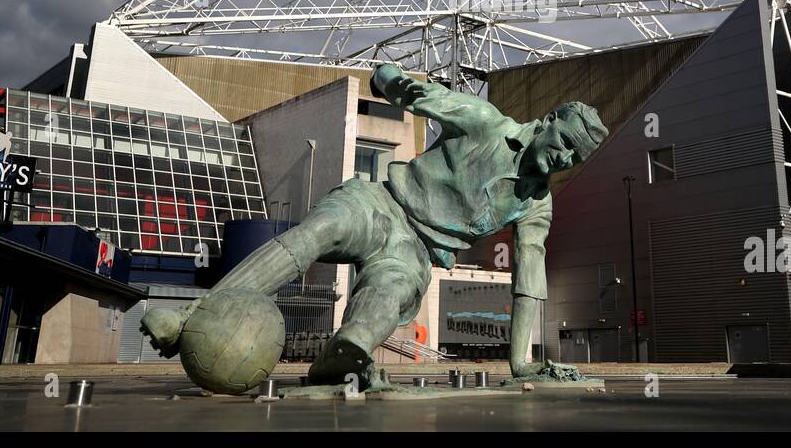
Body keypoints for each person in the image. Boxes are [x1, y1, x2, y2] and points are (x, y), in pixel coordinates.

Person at [141, 63, 608, 388]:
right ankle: (185, 318)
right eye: (565, 143)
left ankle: (340, 360)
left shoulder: (535, 206)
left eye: (575, 158)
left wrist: (521, 364)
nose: (564, 159)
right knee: (316, 232)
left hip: (414, 253)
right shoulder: (486, 122)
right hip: (379, 203)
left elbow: (528, 285)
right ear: (547, 122)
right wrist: (389, 80)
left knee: (385, 302)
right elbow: (425, 98)